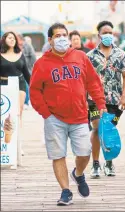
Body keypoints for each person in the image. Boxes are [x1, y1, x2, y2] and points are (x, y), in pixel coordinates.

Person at [30, 23, 107, 206]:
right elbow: (34, 91)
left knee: (85, 152)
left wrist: (101, 103)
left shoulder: (80, 57)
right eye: (57, 36)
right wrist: (46, 113)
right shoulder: (42, 63)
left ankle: (78, 174)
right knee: (58, 155)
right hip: (54, 118)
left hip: (80, 116)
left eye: (64, 34)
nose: (62, 38)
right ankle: (65, 191)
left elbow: (93, 82)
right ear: (50, 40)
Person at [87, 20, 125, 178]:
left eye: (110, 33)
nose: (108, 35)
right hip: (94, 99)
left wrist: (124, 96)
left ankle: (109, 162)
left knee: (109, 130)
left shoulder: (121, 54)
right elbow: (85, 78)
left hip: (115, 99)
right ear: (98, 35)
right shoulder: (90, 56)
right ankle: (96, 164)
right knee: (97, 128)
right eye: (105, 32)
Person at [0, 32, 30, 128]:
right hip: (3, 84)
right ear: (4, 40)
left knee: (18, 111)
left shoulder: (20, 54)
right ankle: (5, 138)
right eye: (9, 38)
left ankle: (16, 137)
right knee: (5, 111)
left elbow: (26, 73)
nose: (12, 39)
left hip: (19, 84)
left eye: (14, 38)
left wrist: (35, 87)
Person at [16, 34, 37, 108]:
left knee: (27, 85)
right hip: (17, 70)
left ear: (21, 39)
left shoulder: (27, 46)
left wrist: (30, 67)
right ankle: (23, 101)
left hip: (27, 69)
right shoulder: (15, 46)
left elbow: (33, 57)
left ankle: (27, 102)